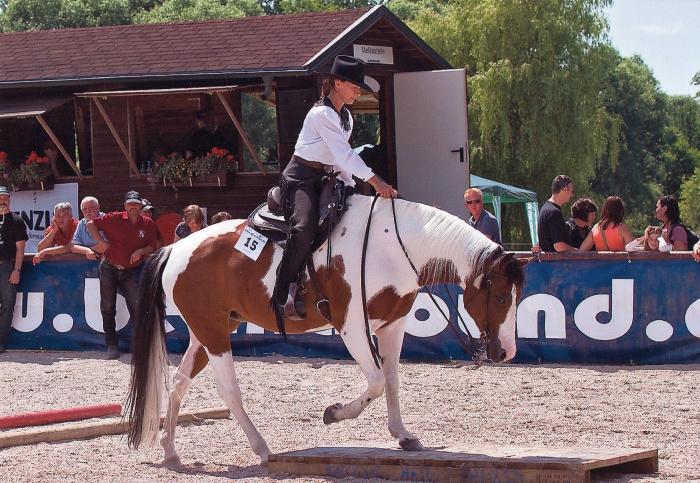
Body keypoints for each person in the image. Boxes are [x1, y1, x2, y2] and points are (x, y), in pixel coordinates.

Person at [271, 55, 397, 326]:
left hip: (327, 178)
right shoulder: (322, 114)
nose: (358, 91)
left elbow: (341, 161)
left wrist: (352, 187)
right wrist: (377, 183)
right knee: (304, 229)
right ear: (337, 83)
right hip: (300, 178)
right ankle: (283, 294)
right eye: (354, 86)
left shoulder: (346, 117)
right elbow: (344, 155)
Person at [87, 190, 158, 359]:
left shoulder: (148, 224)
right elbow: (90, 224)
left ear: (141, 206)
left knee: (137, 308)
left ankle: (139, 347)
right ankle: (112, 346)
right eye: (130, 203)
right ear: (125, 206)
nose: (133, 206)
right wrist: (100, 241)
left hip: (131, 271)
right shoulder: (114, 218)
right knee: (108, 307)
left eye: (136, 204)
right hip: (109, 267)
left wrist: (141, 250)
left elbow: (152, 246)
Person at [0, 186, 28, 354]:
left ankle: (1, 341)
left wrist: (16, 270)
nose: (2, 201)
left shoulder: (17, 221)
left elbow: (20, 249)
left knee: (8, 304)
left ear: (10, 200)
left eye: (5, 198)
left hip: (7, 266)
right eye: (0, 198)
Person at [536, 175, 576, 252]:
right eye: (571, 191)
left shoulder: (545, 209)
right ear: (565, 189)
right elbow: (559, 246)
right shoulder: (554, 212)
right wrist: (577, 251)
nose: (572, 195)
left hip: (548, 262)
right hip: (555, 263)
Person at [71, 196, 105, 260]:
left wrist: (86, 249)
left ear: (98, 208)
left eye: (91, 208)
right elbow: (73, 247)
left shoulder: (106, 220)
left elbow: (103, 247)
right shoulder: (81, 223)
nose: (88, 211)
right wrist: (87, 251)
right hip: (89, 263)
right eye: (85, 209)